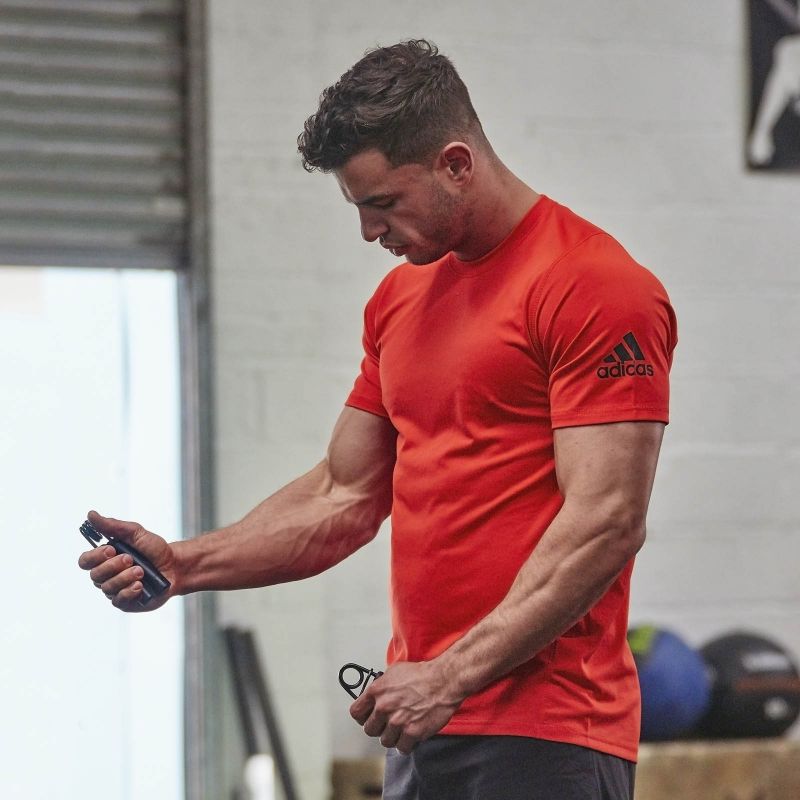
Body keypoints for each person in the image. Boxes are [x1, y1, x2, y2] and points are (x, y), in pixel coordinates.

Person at [79, 39, 677, 800]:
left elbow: (607, 521)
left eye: (383, 204)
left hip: (545, 731)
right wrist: (184, 563)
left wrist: (452, 675)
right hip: (421, 721)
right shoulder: (401, 299)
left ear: (455, 164)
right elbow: (344, 493)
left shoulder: (593, 285)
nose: (369, 232)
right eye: (359, 208)